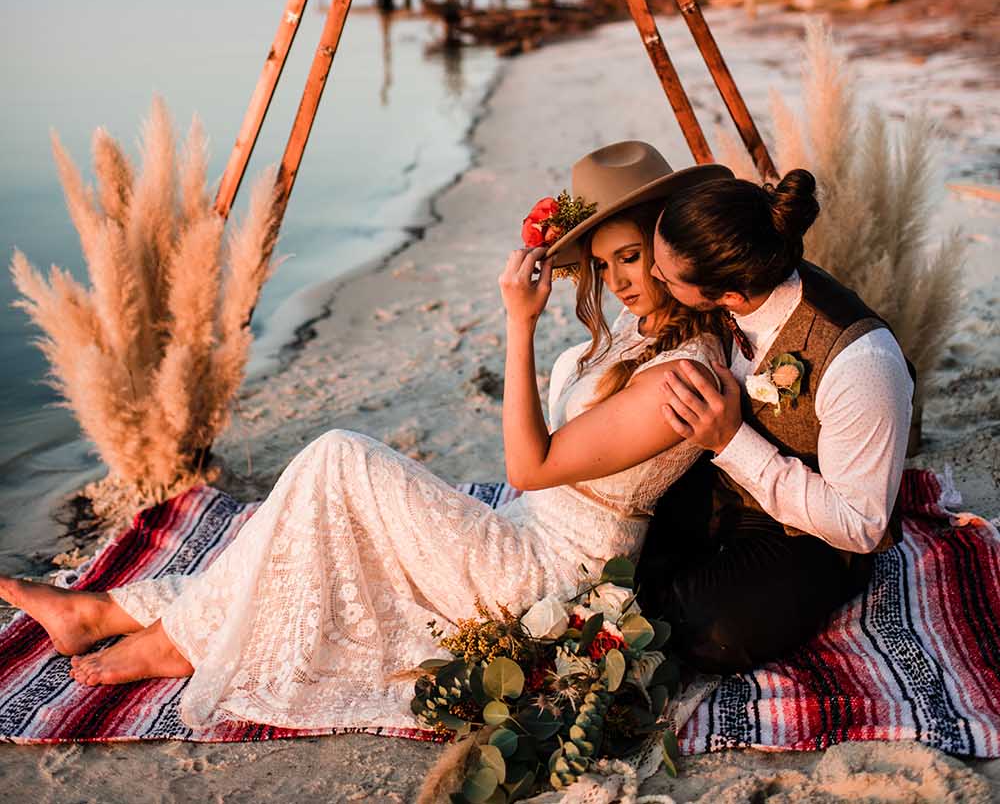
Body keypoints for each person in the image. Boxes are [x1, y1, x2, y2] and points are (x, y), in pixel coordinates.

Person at [0, 140, 729, 734]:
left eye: (629, 256)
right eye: (602, 264)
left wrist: (519, 324)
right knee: (320, 533)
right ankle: (107, 611)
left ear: (671, 240)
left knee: (338, 459)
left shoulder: (680, 381)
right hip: (519, 530)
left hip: (546, 579)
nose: (618, 280)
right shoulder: (637, 335)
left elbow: (529, 465)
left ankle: (170, 640)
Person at [634, 167, 915, 675]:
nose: (654, 278)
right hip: (725, 488)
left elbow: (862, 526)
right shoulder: (743, 278)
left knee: (702, 631)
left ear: (731, 296)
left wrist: (730, 440)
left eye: (665, 276)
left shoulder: (862, 362)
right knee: (621, 569)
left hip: (811, 533)